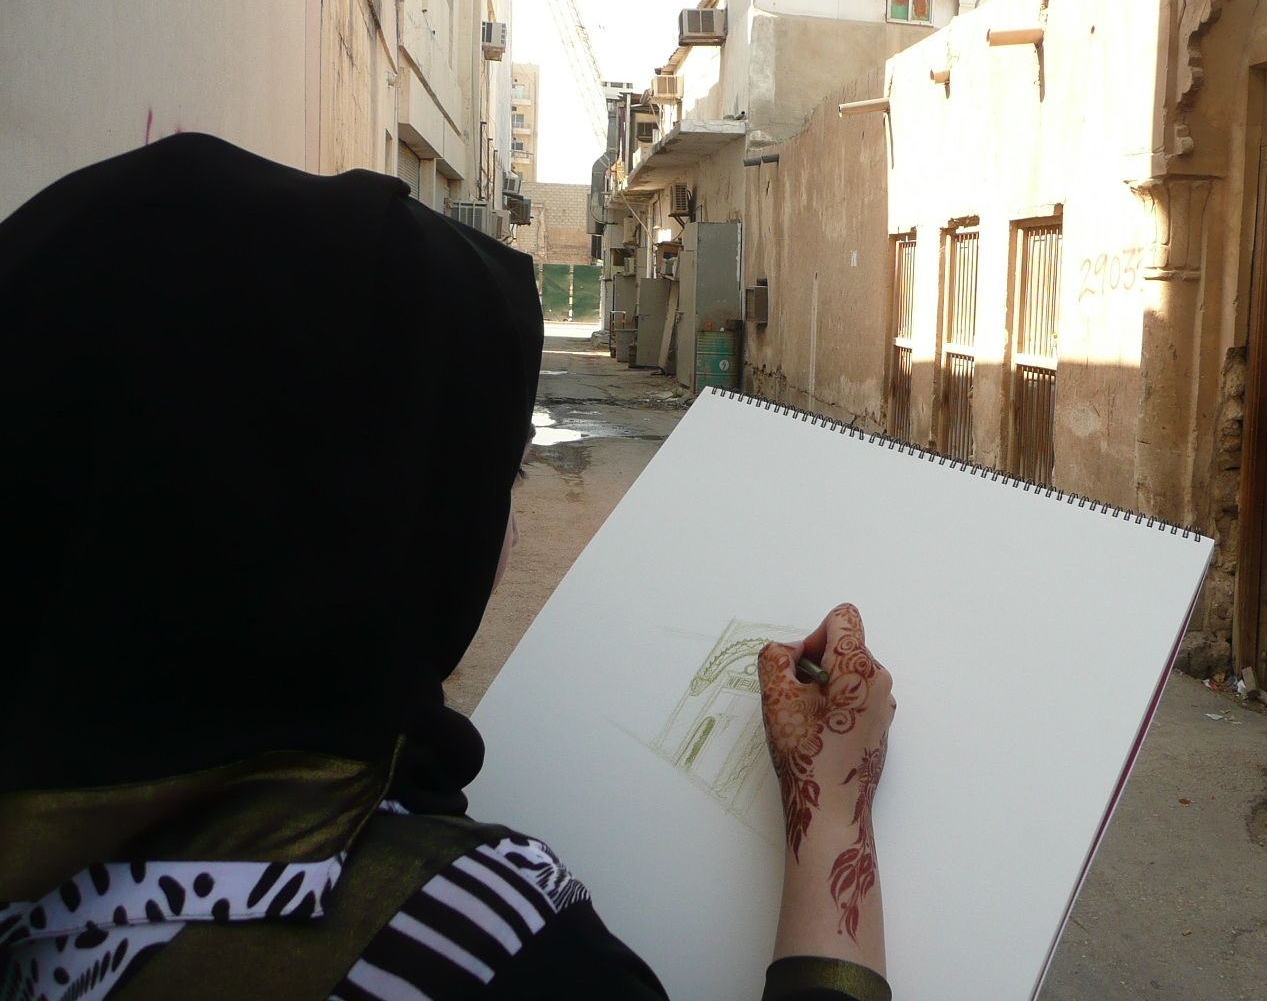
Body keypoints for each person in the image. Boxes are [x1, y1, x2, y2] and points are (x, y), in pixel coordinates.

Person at [0, 134, 896, 1000]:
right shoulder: (483, 949)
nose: (502, 533)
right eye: (489, 479)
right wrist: (835, 809)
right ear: (363, 525)